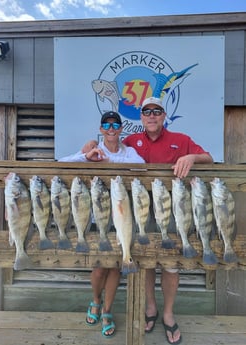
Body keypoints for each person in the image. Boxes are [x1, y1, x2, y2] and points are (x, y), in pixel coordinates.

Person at [82, 97, 214, 344]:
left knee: (170, 264)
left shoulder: (181, 140)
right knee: (146, 261)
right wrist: (90, 143)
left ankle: (168, 313)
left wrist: (192, 158)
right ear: (141, 117)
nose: (152, 115)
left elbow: (208, 157)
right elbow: (109, 146)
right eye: (146, 112)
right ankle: (151, 308)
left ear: (164, 116)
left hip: (174, 210)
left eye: (157, 111)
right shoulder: (132, 142)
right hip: (141, 211)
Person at [59, 111, 145, 338]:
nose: (111, 128)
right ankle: (95, 300)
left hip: (122, 217)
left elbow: (142, 165)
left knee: (115, 266)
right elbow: (62, 163)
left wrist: (109, 161)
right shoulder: (92, 148)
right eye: (106, 124)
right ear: (101, 128)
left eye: (115, 124)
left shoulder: (129, 152)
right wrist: (86, 158)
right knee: (99, 267)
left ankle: (107, 310)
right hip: (97, 218)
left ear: (121, 128)